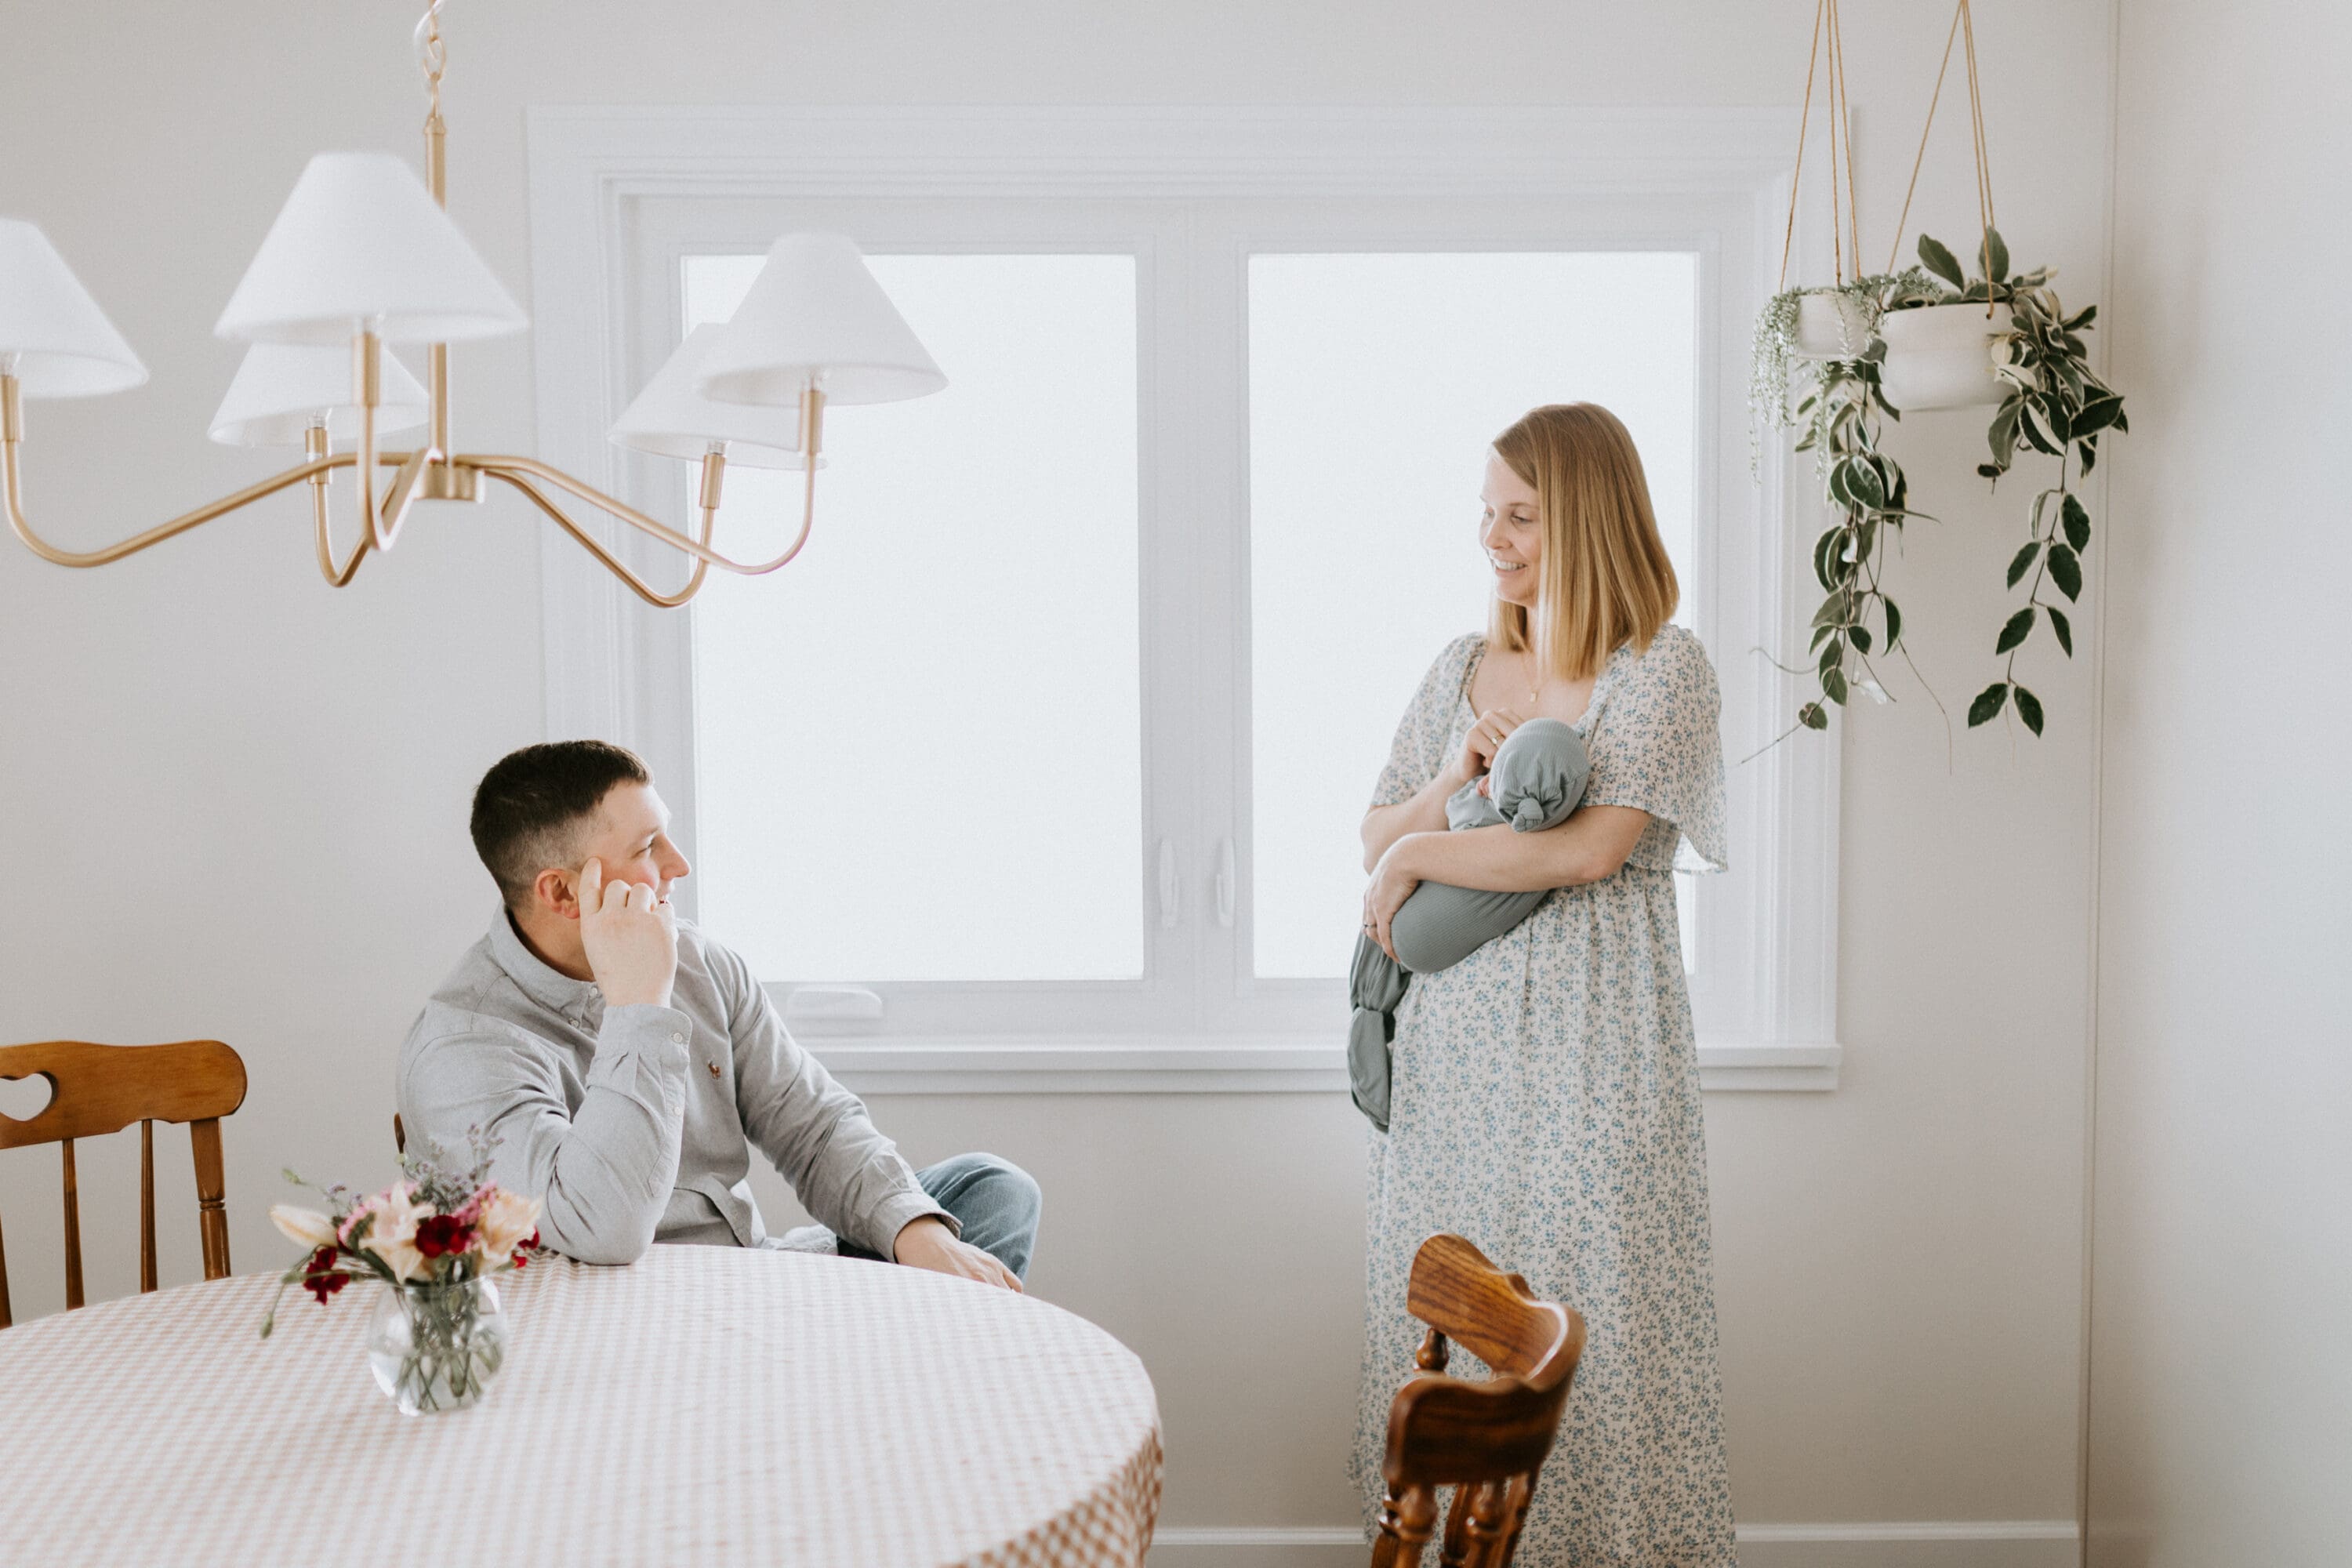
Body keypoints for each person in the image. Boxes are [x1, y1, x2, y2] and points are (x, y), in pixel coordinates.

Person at [1349, 403, 1735, 1563]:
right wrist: (1444, 785)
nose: (1494, 537)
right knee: (1457, 1321)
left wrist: (1419, 857)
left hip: (1596, 1049)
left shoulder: (1661, 670)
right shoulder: (1462, 669)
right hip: (1456, 1064)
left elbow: (1587, 851)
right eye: (1487, 513)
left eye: (1521, 514)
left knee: (1596, 1330)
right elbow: (1374, 830)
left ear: (1587, 517)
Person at [397, 740, 1039, 1290]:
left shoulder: (701, 962)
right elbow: (604, 1229)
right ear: (564, 892)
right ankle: (874, 1384)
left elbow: (813, 1128)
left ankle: (863, 1378)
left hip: (750, 1280)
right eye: (649, 846)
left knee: (991, 1189)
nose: (679, 865)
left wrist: (915, 1233)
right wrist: (639, 1007)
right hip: (608, 1319)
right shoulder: (465, 1045)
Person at [1345, 716, 1590, 1131]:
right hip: (1438, 1063)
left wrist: (1414, 850)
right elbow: (1375, 854)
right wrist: (1458, 772)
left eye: (1497, 779)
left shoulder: (1490, 820)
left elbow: (1588, 853)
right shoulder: (1458, 671)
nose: (1484, 782)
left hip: (1411, 946)